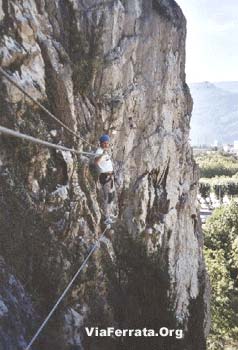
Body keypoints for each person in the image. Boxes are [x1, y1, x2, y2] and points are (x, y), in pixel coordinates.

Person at [95, 134, 117, 225]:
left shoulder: (104, 151)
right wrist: (102, 155)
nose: (107, 144)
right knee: (107, 198)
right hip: (105, 177)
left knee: (111, 197)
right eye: (105, 143)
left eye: (107, 143)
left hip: (110, 177)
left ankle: (109, 214)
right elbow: (96, 161)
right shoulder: (99, 151)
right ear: (101, 143)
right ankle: (106, 217)